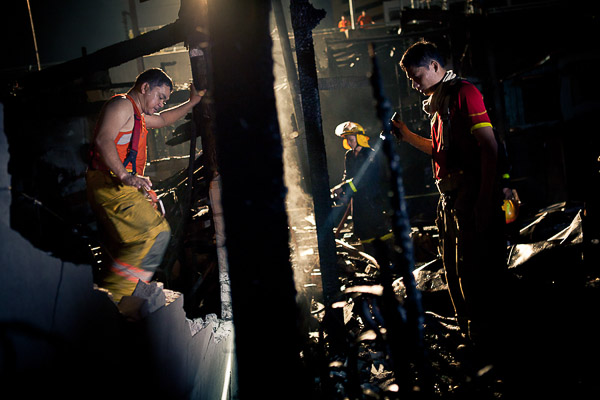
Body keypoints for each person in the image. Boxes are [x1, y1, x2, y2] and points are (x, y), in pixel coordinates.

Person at [392, 41, 508, 347]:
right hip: (450, 199)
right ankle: (468, 333)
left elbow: (490, 147)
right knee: (454, 268)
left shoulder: (463, 94)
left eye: (417, 77)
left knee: (474, 269)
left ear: (433, 66)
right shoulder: (438, 107)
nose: (414, 85)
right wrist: (407, 136)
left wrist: (484, 200)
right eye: (410, 80)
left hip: (469, 195)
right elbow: (439, 152)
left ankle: (487, 341)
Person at [86, 68, 205, 303]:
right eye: (160, 96)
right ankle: (117, 299)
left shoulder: (137, 115)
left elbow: (163, 120)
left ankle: (119, 294)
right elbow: (103, 139)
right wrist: (125, 176)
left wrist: (193, 102)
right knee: (155, 233)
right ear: (145, 88)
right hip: (110, 182)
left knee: (126, 244)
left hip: (114, 183)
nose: (162, 103)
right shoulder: (121, 105)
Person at [331, 121, 392, 258]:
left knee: (378, 229)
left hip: (372, 199)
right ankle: (374, 262)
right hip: (358, 201)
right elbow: (348, 176)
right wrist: (343, 191)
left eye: (351, 139)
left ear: (359, 138)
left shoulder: (370, 155)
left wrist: (344, 188)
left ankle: (390, 261)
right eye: (347, 139)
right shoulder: (349, 156)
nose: (349, 142)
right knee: (362, 229)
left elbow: (364, 178)